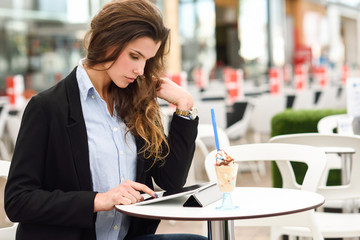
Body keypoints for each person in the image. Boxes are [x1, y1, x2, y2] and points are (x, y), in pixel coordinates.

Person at [4, 1, 207, 239]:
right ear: (108, 42)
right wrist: (99, 200)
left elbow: (171, 182)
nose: (141, 70)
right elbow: (18, 200)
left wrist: (184, 106)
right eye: (134, 56)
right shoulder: (47, 108)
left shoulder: (135, 105)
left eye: (147, 60)